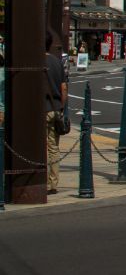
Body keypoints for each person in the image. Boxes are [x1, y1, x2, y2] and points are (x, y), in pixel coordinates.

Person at [44, 33, 68, 194]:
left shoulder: (35, 61)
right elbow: (64, 88)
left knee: (39, 146)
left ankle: (41, 180)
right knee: (53, 148)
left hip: (40, 109)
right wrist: (61, 107)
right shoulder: (57, 62)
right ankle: (53, 184)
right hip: (55, 107)